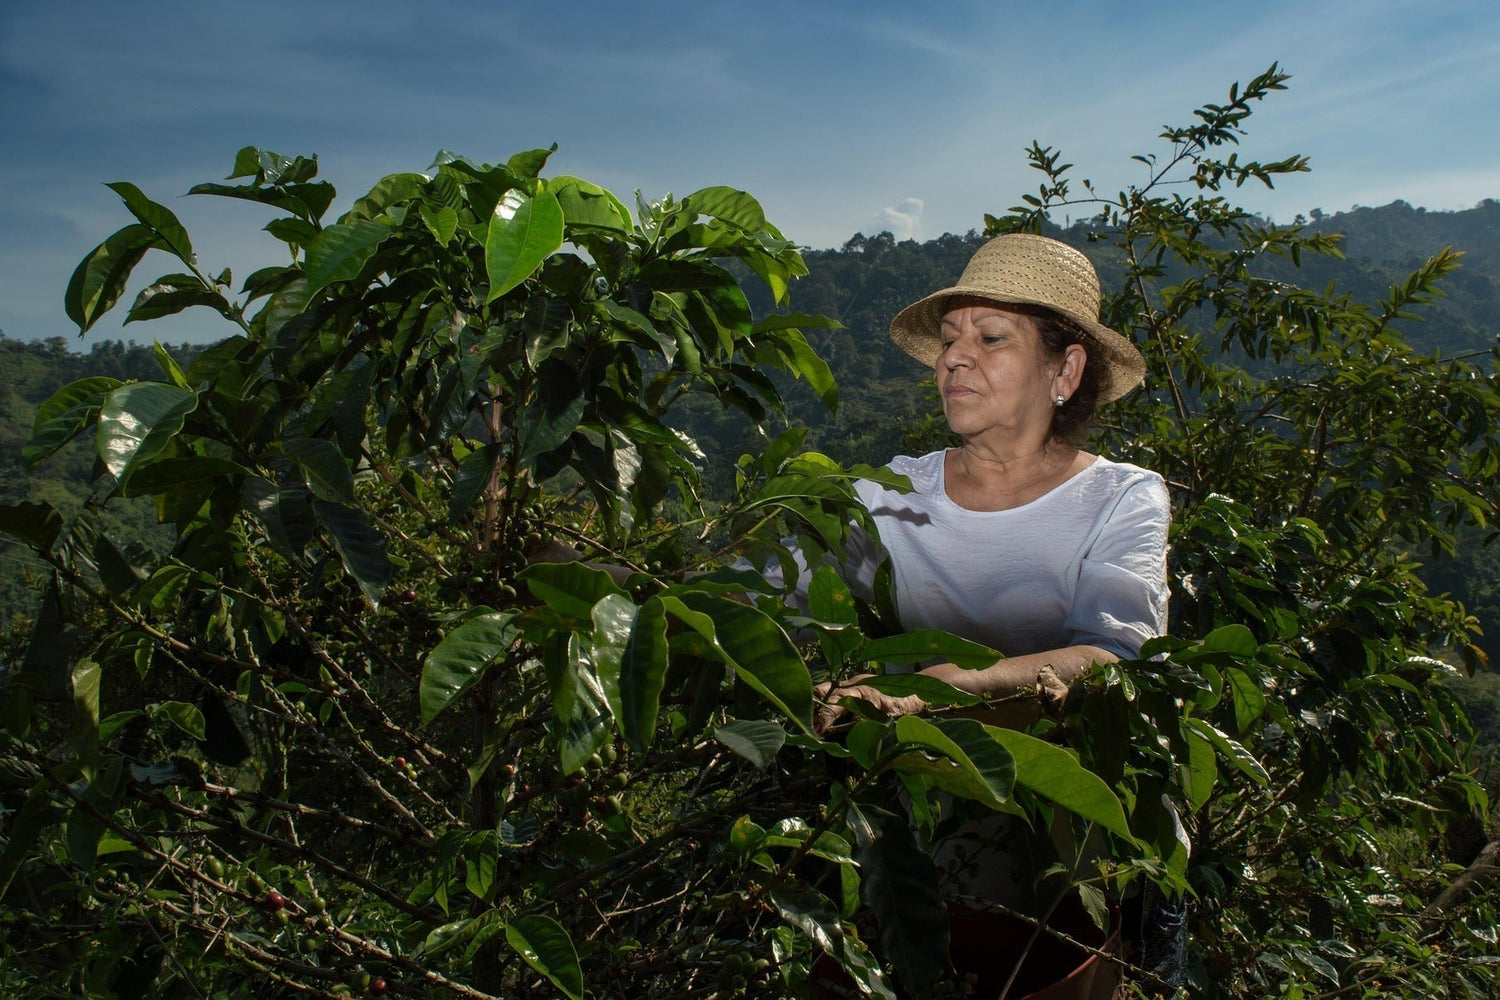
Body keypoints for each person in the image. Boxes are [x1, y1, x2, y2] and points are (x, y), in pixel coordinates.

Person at [811, 231, 1170, 738]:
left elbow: (1115, 656)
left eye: (991, 337)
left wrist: (936, 688)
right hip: (911, 800)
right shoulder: (887, 493)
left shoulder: (1120, 499)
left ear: (1064, 370)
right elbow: (768, 586)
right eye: (949, 339)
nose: (953, 358)